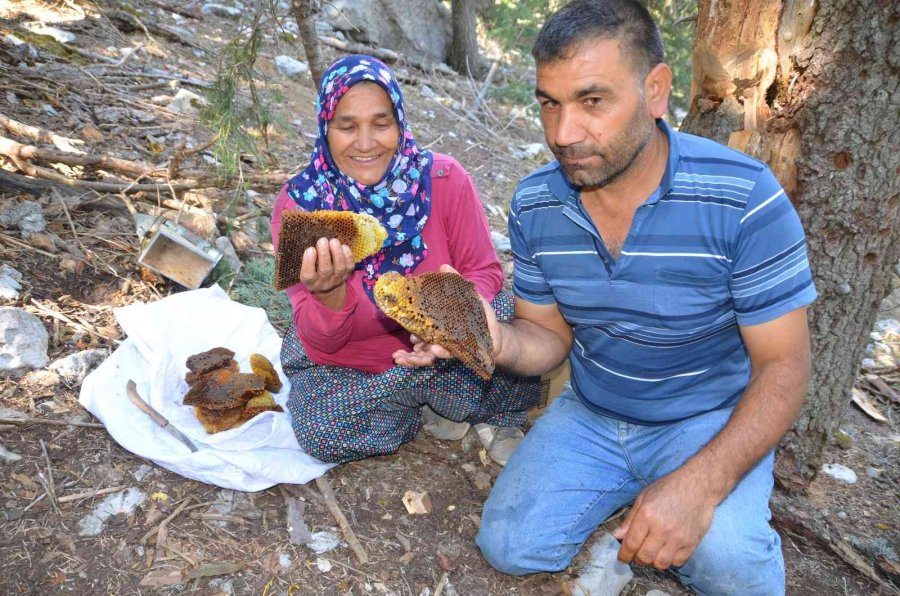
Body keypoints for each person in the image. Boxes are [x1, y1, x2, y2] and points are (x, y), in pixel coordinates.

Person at [395, 1, 817, 593]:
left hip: (705, 420)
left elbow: (786, 365)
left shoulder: (743, 197)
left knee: (733, 570)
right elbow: (547, 338)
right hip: (593, 411)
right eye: (549, 103)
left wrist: (699, 485)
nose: (563, 134)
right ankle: (632, 514)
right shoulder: (537, 204)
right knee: (510, 546)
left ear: (655, 91)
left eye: (592, 101)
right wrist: (491, 338)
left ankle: (677, 512)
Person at [271, 55, 540, 466]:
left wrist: (446, 319)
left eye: (381, 124)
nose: (366, 143)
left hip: (445, 348)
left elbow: (484, 271)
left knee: (508, 314)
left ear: (399, 123)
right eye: (347, 126)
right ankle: (421, 401)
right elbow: (322, 343)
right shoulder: (302, 207)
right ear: (325, 128)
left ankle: (451, 403)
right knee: (319, 430)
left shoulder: (444, 180)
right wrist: (327, 293)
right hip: (354, 365)